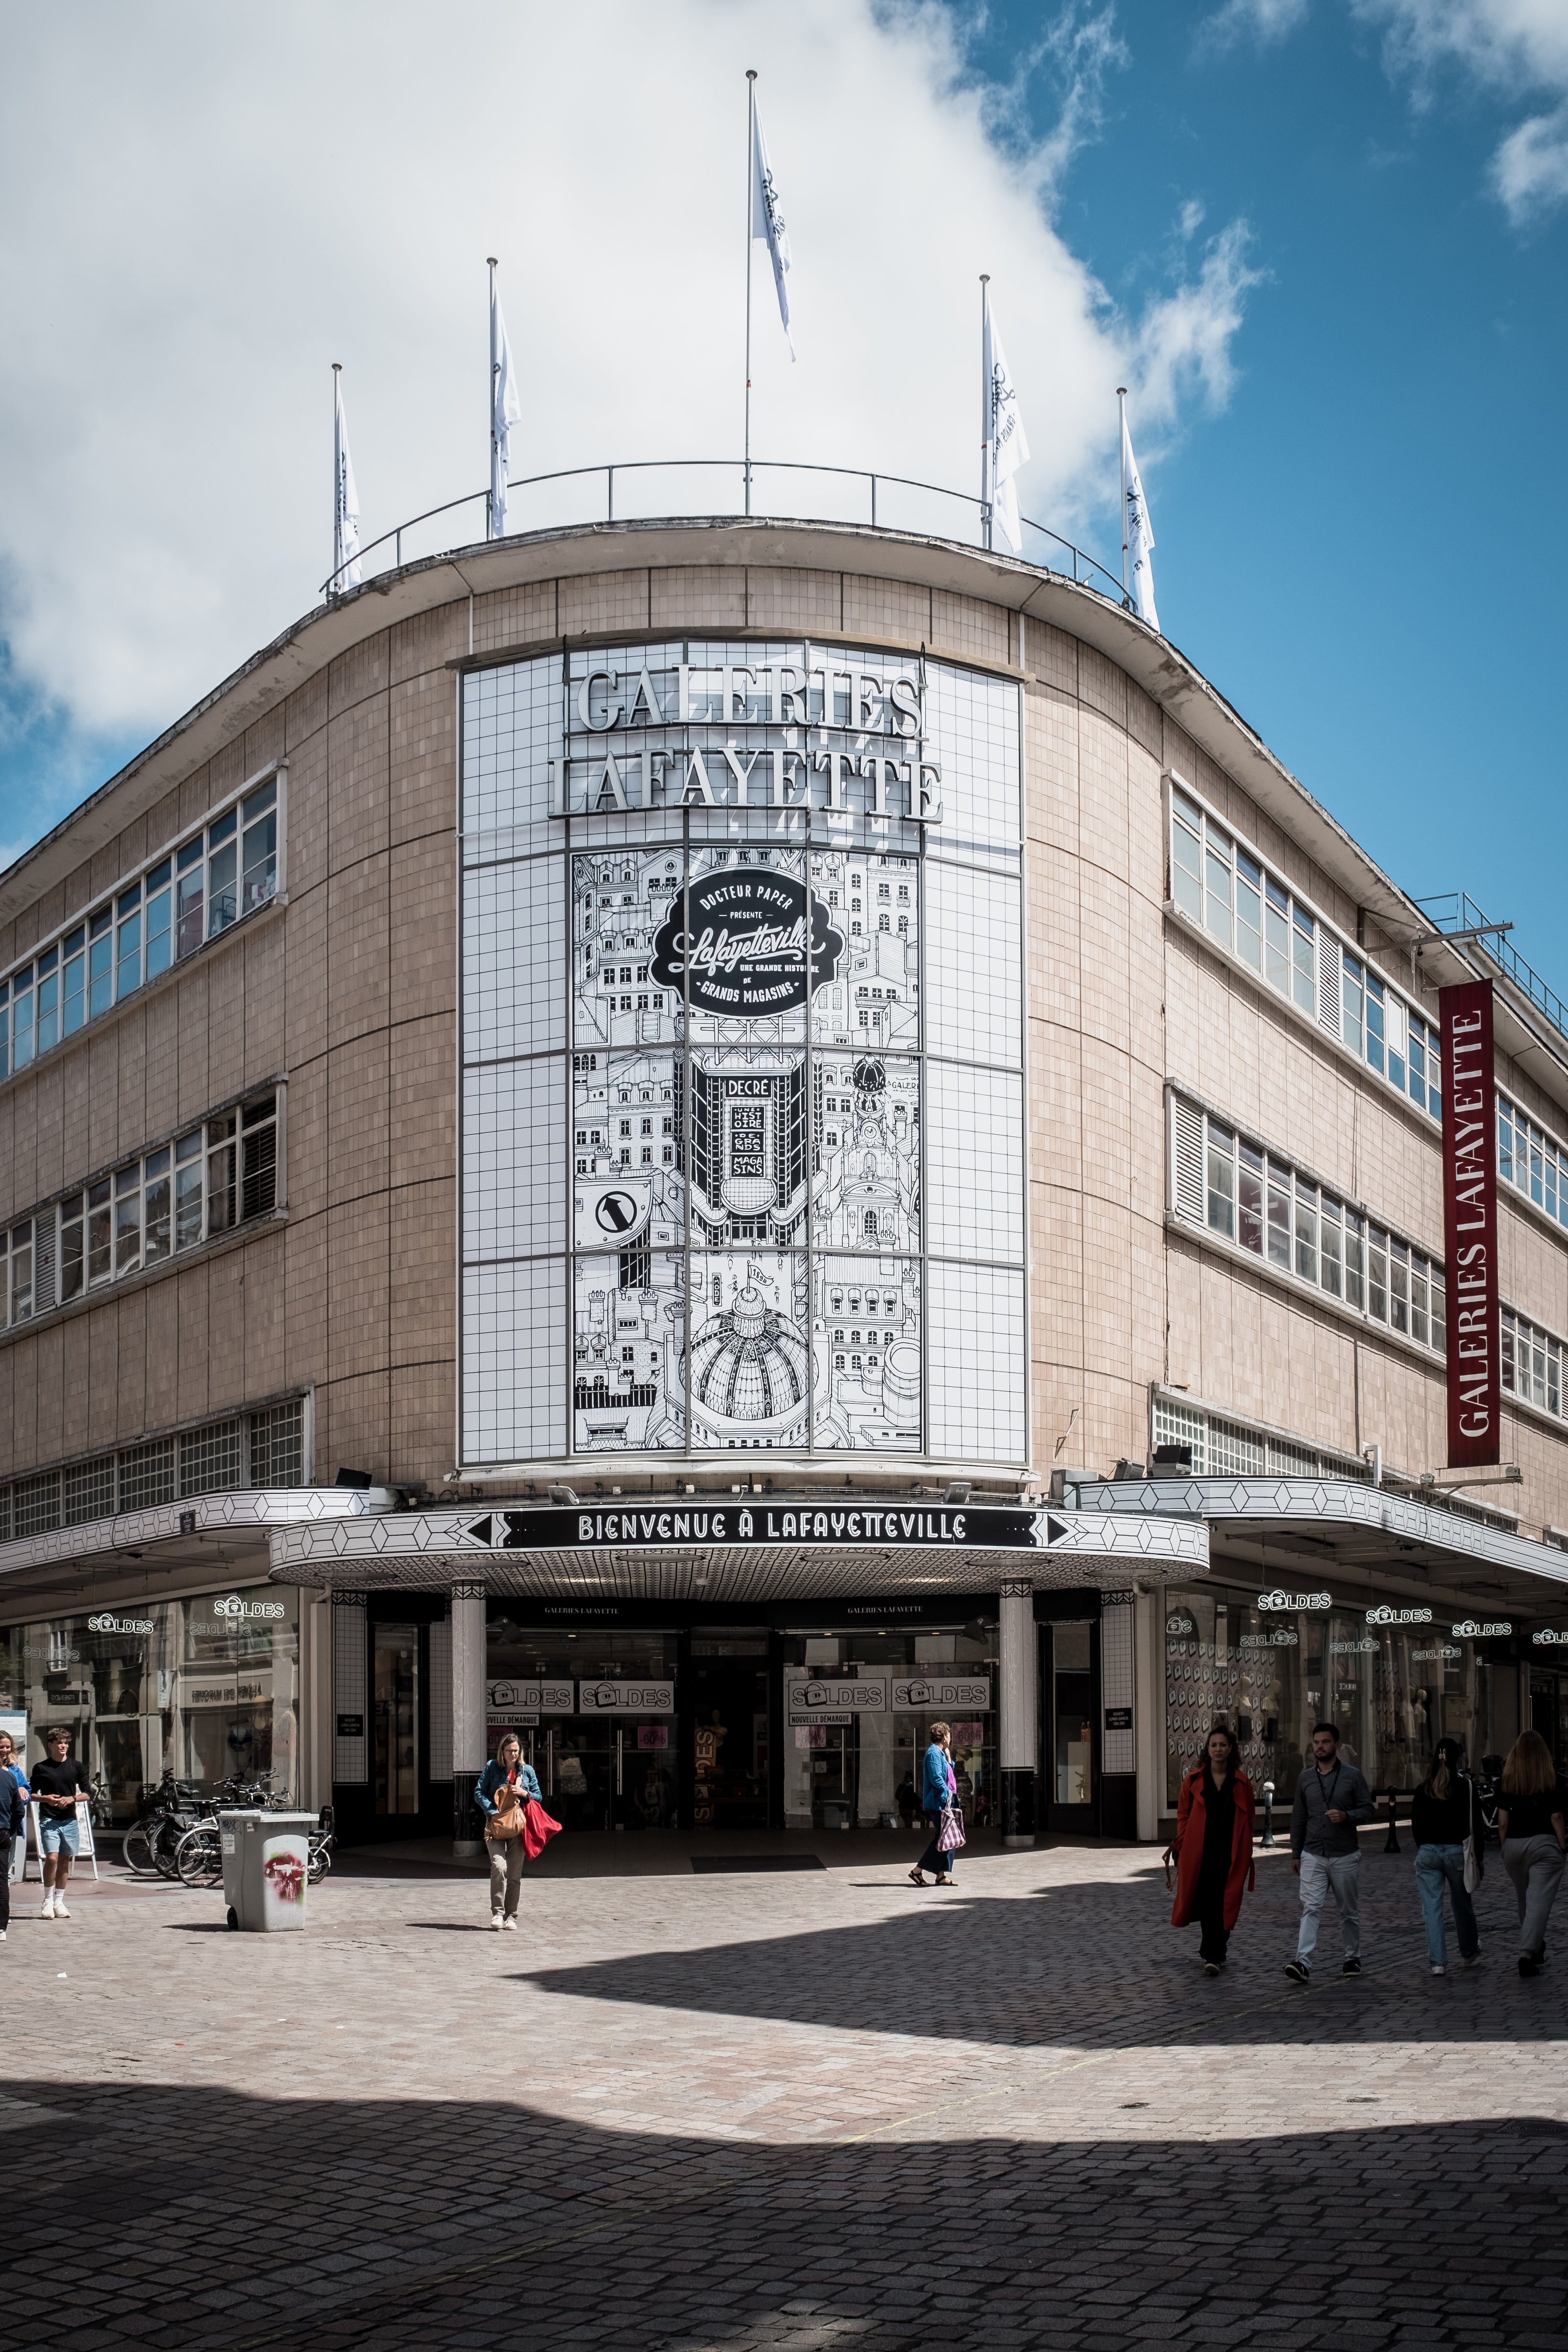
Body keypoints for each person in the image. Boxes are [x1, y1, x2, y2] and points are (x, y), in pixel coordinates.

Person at [1284, 1720, 1376, 1984]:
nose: (1320, 1747)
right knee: (1311, 1907)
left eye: (1325, 1742)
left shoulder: (1353, 1776)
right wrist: (1295, 1852)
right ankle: (1302, 1962)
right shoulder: (1305, 1778)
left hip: (1345, 1854)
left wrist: (1348, 1815)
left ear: (1336, 1744)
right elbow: (1299, 1817)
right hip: (1313, 1853)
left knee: (1348, 1910)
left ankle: (1352, 1957)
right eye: (1316, 1742)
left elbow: (1369, 1810)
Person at [1169, 1724, 1256, 1975]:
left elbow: (1249, 1819)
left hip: (1231, 1852)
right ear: (1208, 1749)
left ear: (1231, 1749)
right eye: (1214, 1745)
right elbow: (1183, 1814)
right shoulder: (1193, 1780)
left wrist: (1246, 1848)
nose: (1218, 1749)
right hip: (1201, 1852)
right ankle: (1213, 1954)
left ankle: (1217, 1949)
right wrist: (1184, 1843)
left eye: (1223, 1745)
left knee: (1227, 1900)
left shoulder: (1242, 1782)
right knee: (1207, 1901)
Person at [1497, 1729, 1567, 1979]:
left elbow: (1502, 1823)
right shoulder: (1555, 1780)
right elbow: (1557, 1817)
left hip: (1514, 1847)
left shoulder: (1507, 1781)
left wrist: (1505, 1848)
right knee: (1538, 1900)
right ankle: (1526, 1953)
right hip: (1544, 1847)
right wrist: (1563, 1847)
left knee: (1524, 1899)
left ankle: (1537, 1947)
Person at [1411, 1736, 1484, 1976]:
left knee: (1431, 1908)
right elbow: (1475, 1826)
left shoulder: (1424, 1788)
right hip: (1457, 1851)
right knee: (1462, 1904)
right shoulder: (1466, 1786)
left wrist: (1424, 1846)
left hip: (1428, 1851)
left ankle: (1438, 1962)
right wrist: (1479, 1858)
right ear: (1457, 1758)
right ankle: (1469, 1951)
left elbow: (1416, 1825)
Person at [474, 1731, 542, 1931]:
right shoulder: (492, 1767)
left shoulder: (527, 1771)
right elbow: (479, 1792)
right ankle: (497, 1913)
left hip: (518, 1828)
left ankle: (511, 1916)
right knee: (499, 1867)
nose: (513, 1754)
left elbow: (539, 1796)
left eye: (516, 1750)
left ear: (520, 1751)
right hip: (495, 1826)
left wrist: (525, 1793)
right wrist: (493, 1811)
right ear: (502, 1752)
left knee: (514, 1874)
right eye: (509, 1751)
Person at [33, 1726, 91, 1921]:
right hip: (49, 1818)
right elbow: (32, 1794)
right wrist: (46, 1799)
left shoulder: (77, 1766)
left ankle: (59, 1902)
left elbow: (88, 1793)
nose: (64, 1746)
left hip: (69, 1820)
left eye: (66, 1743)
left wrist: (72, 1799)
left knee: (65, 1861)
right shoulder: (41, 1768)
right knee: (52, 1858)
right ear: (50, 1745)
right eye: (59, 1743)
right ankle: (48, 1900)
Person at [908, 1720, 958, 1888]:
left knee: (948, 1839)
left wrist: (950, 1759)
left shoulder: (941, 1753)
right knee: (942, 1838)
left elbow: (947, 1775)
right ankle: (918, 1870)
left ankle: (941, 1875)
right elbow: (937, 1779)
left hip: (943, 1801)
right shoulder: (933, 1754)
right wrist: (947, 1797)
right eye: (949, 1735)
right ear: (944, 1736)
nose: (950, 1738)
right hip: (939, 1803)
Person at [0, 1752, 23, 1938]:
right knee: (1, 1878)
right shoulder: (9, 1778)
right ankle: (1, 1927)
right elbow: (19, 1810)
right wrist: (8, 1829)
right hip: (3, 1832)